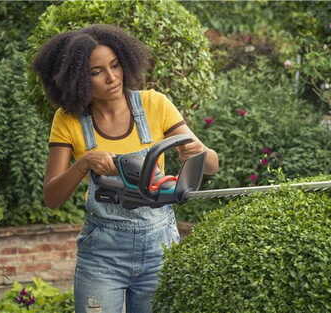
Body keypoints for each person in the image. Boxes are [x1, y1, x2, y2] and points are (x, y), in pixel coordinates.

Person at [32, 24, 219, 313]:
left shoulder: (154, 104)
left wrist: (197, 153)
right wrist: (83, 163)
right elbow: (52, 199)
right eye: (97, 72)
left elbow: (212, 165)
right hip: (102, 257)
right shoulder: (67, 120)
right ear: (76, 79)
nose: (112, 78)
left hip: (161, 251)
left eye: (115, 65)